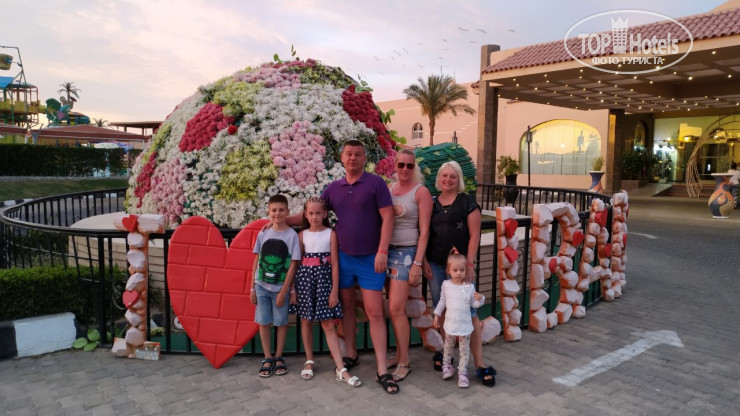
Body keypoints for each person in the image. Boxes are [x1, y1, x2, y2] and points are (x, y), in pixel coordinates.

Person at [286, 139, 397, 394]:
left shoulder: (375, 183)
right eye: (348, 154)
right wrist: (278, 221)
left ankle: (382, 369)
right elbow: (310, 214)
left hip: (371, 259)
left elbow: (388, 217)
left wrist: (382, 251)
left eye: (358, 154)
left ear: (364, 158)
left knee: (374, 312)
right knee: (346, 307)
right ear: (342, 158)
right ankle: (352, 354)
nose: (353, 158)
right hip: (343, 259)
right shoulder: (333, 189)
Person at [422, 160, 497, 387]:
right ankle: (449, 355)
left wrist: (470, 263)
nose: (448, 180)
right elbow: (424, 233)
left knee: (470, 313)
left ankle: (479, 363)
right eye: (444, 176)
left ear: (459, 179)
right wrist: (423, 261)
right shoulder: (432, 203)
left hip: (461, 269)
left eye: (452, 176)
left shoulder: (467, 203)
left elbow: (474, 235)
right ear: (439, 179)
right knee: (443, 309)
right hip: (436, 265)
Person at [292, 197, 361, 387]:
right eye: (311, 213)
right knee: (306, 320)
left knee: (327, 323)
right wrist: (292, 289)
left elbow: (335, 264)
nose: (314, 217)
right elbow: (296, 263)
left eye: (318, 213)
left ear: (324, 214)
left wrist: (334, 290)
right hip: (305, 280)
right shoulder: (302, 235)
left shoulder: (331, 234)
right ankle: (309, 360)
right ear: (306, 215)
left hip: (324, 281)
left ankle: (341, 368)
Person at [385, 148, 432, 382]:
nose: (405, 169)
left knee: (395, 308)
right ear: (394, 165)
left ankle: (405, 361)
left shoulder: (421, 192)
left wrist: (417, 263)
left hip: (406, 253)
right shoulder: (389, 189)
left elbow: (425, 232)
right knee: (395, 310)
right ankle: (399, 353)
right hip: (387, 252)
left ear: (415, 167)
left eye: (409, 165)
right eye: (401, 164)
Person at [251, 194, 301, 378]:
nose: (277, 213)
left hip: (281, 288)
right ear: (268, 212)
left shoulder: (292, 235)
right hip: (261, 286)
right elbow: (256, 259)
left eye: (281, 210)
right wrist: (252, 287)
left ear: (287, 212)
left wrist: (285, 290)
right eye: (274, 210)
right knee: (263, 322)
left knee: (281, 323)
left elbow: (293, 264)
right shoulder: (263, 233)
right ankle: (267, 357)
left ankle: (279, 356)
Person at [433, 252, 485, 388]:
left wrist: (481, 299)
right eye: (455, 270)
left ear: (466, 270)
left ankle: (463, 373)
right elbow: (442, 302)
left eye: (462, 270)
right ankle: (446, 366)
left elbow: (474, 305)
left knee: (464, 350)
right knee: (448, 346)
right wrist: (437, 314)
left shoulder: (469, 287)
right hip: (450, 324)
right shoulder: (446, 285)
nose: (458, 273)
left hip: (464, 326)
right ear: (448, 271)